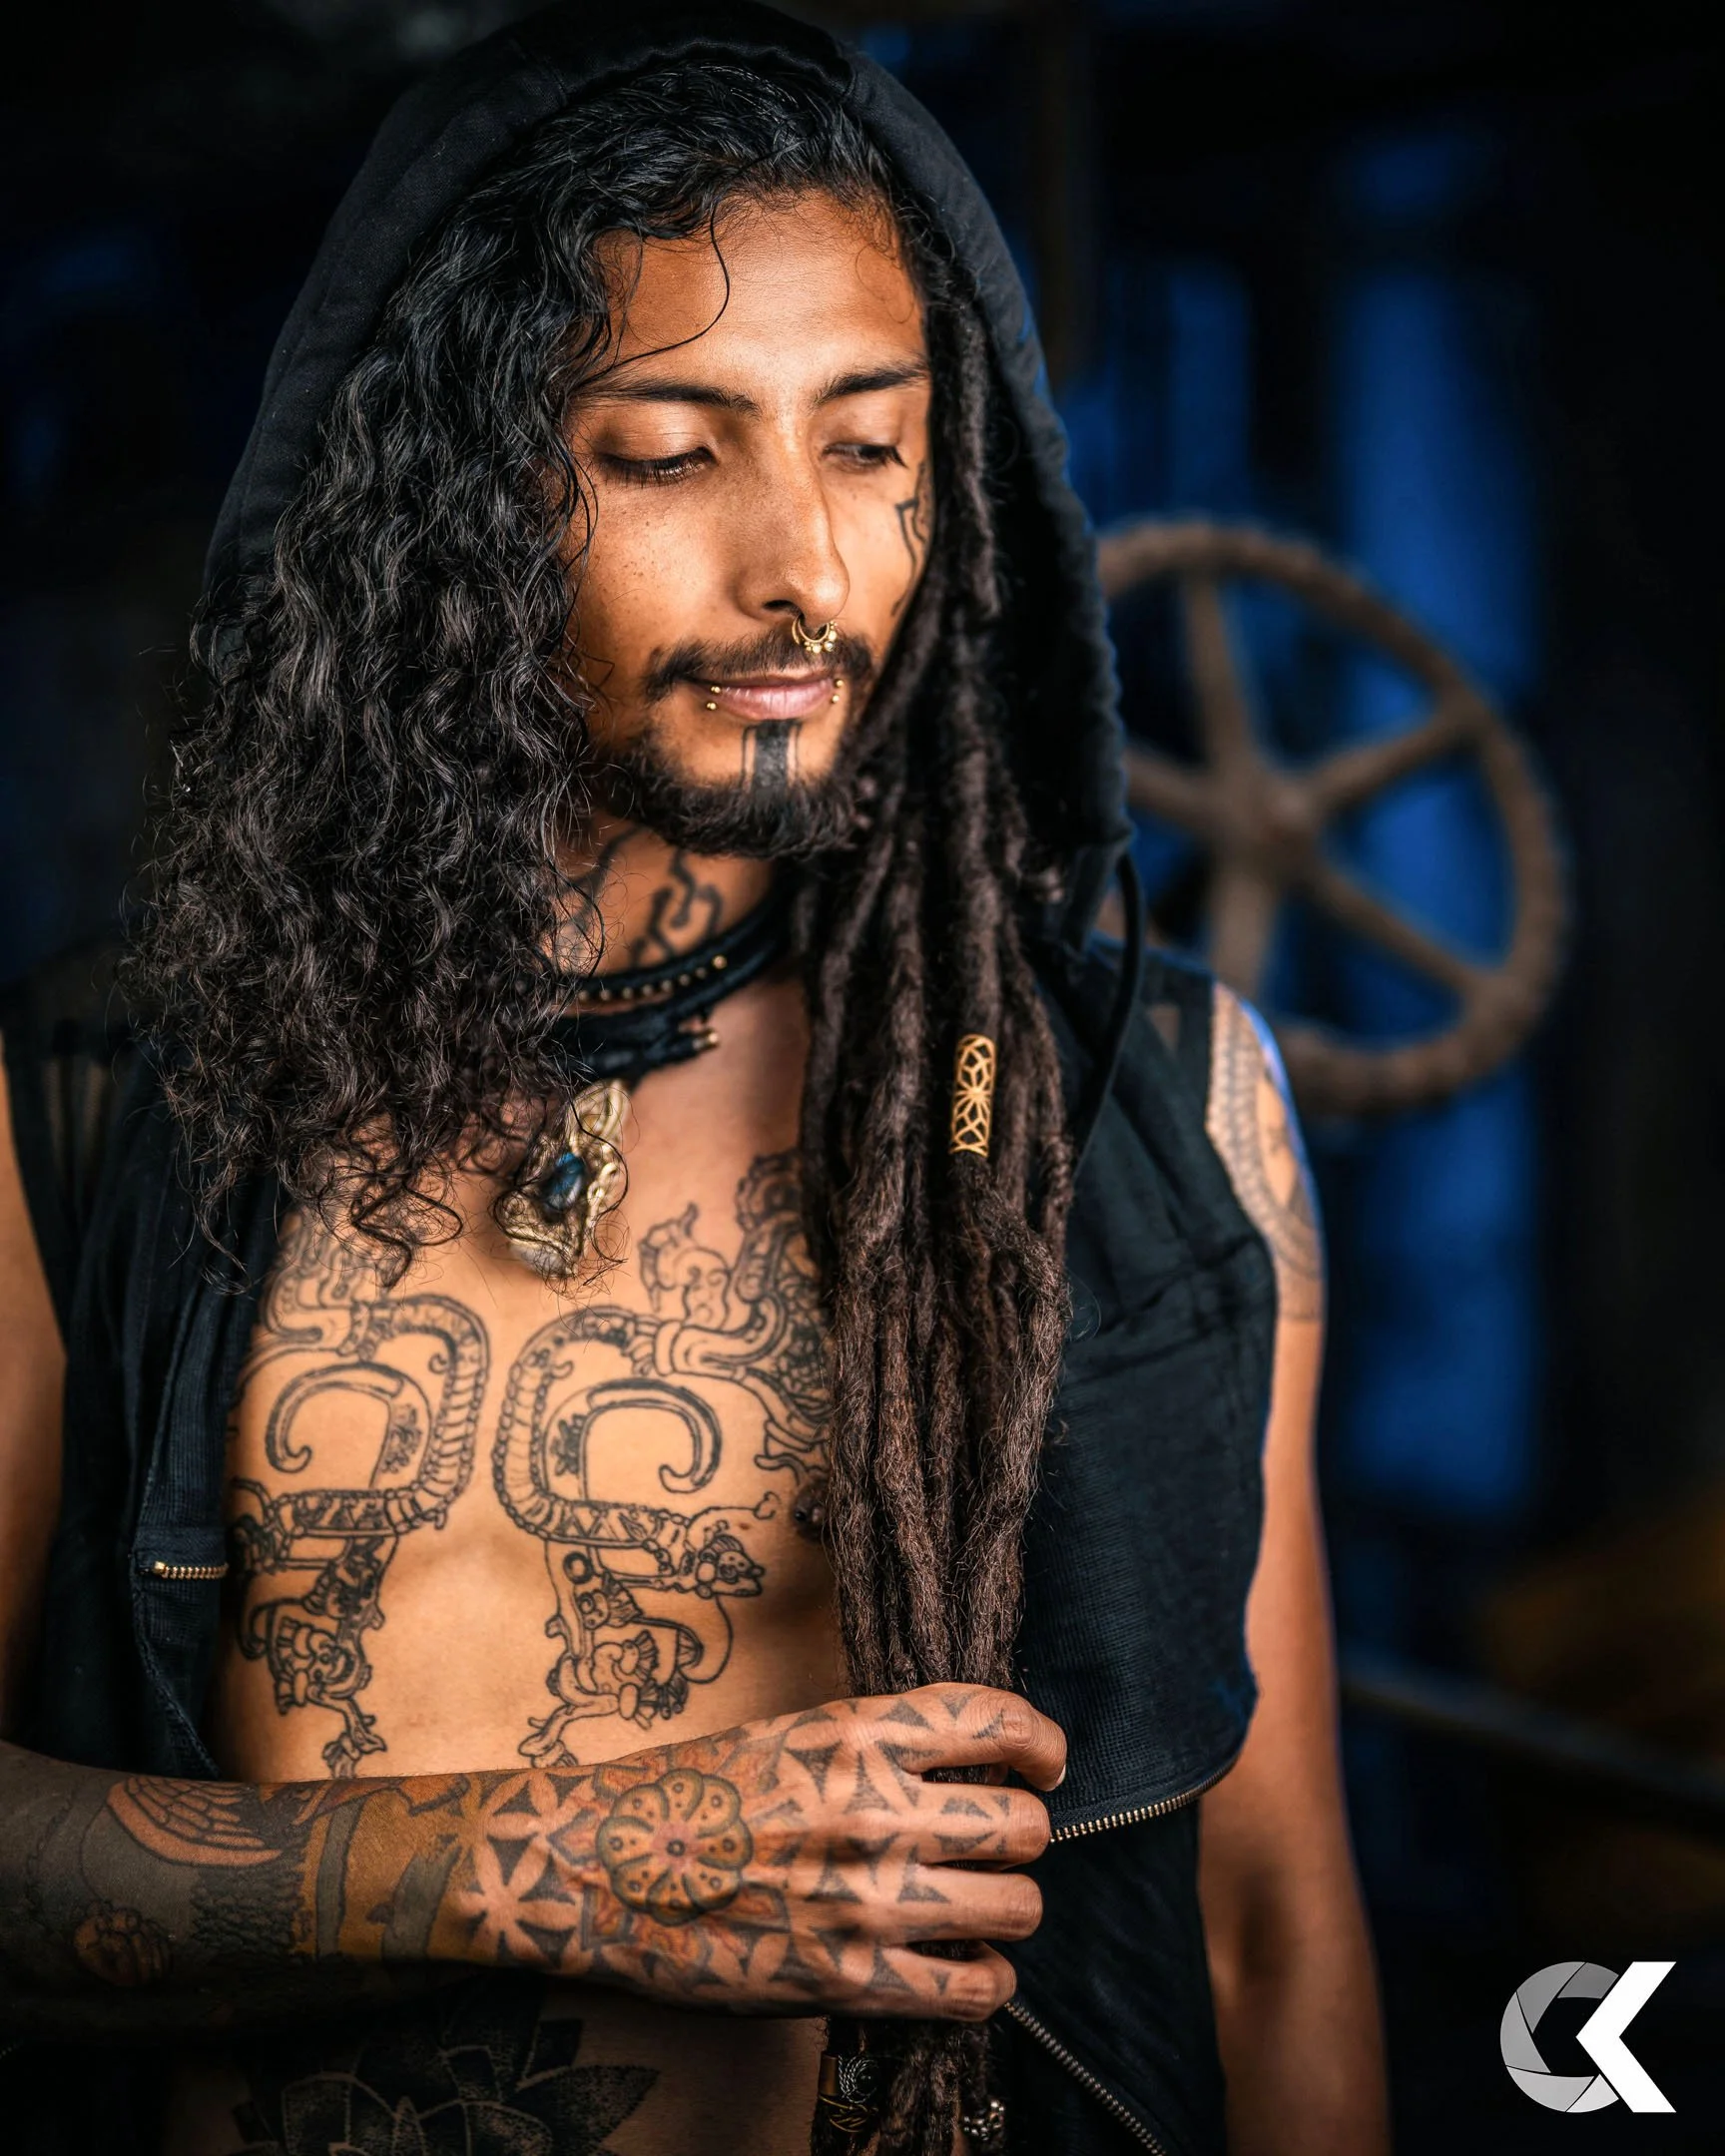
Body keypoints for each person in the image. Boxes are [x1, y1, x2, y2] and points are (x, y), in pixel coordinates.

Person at [0, 6, 1389, 2152]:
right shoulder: (100, 1102)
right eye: (670, 452)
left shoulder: (1144, 1117)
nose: (800, 576)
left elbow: (1270, 1937)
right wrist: (563, 1866)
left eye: (869, 446)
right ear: (449, 498)